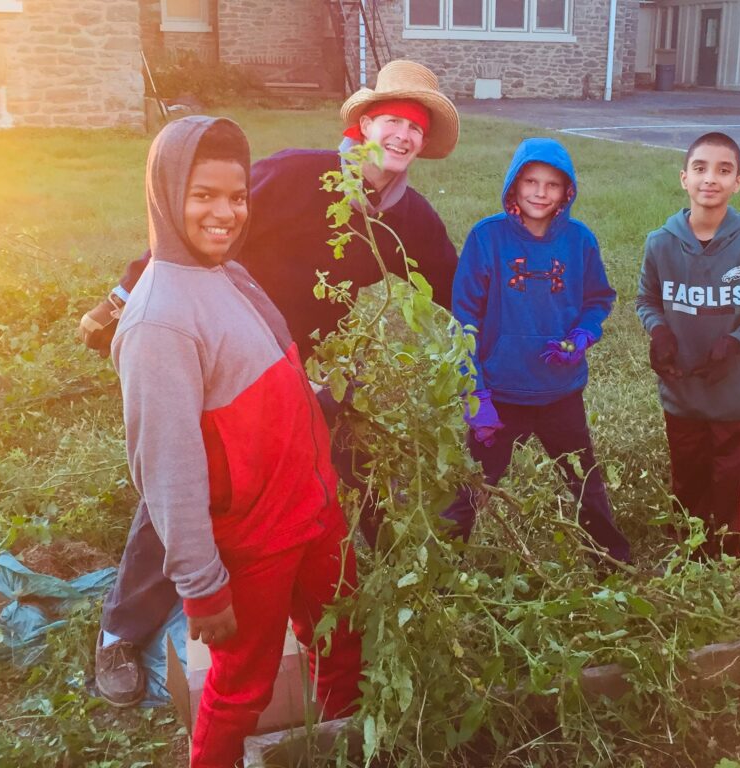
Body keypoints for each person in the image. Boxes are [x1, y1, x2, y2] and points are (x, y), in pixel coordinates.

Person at [82, 59, 461, 708]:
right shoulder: (297, 175)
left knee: (347, 469)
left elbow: (456, 291)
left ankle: (397, 589)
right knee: (187, 484)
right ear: (363, 125)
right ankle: (120, 632)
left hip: (310, 372)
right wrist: (119, 300)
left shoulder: (411, 220)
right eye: (391, 121)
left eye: (415, 128)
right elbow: (189, 223)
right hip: (225, 355)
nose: (401, 136)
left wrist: (491, 359)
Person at [112, 116, 361, 767]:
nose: (225, 213)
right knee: (238, 691)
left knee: (341, 636)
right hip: (255, 540)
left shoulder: (227, 272)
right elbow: (167, 472)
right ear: (167, 194)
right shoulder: (159, 320)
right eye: (203, 195)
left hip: (312, 507)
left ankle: (338, 742)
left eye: (238, 195)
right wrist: (201, 588)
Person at [441, 137, 632, 564]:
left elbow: (598, 299)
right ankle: (443, 566)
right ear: (513, 184)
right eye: (530, 181)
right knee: (473, 484)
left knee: (583, 480)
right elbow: (464, 319)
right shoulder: (486, 238)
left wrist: (582, 335)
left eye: (552, 184)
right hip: (500, 394)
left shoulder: (580, 240)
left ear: (568, 191)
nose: (540, 192)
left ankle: (612, 561)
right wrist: (476, 394)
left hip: (559, 390)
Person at [635, 131, 740, 560]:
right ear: (684, 177)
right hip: (682, 391)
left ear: (738, 181)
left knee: (732, 481)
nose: (711, 179)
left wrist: (737, 340)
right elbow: (647, 300)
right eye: (700, 168)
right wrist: (659, 331)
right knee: (688, 476)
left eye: (724, 170)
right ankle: (691, 552)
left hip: (736, 394)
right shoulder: (660, 243)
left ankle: (733, 559)